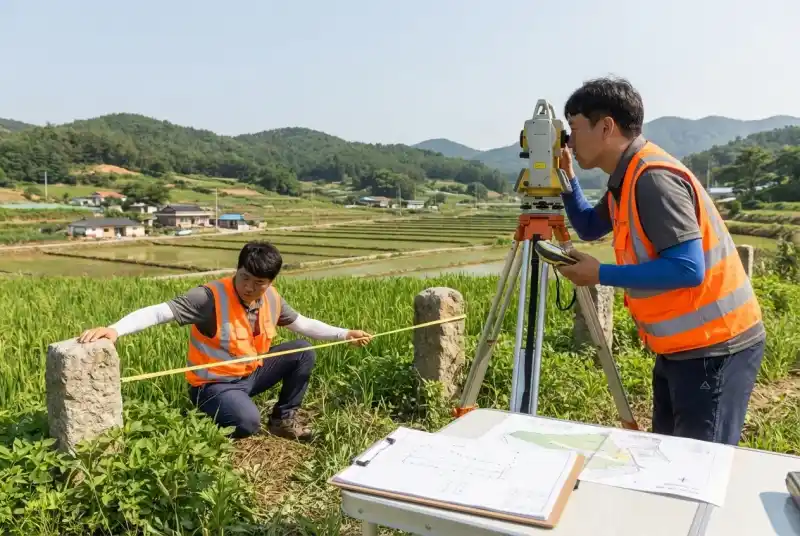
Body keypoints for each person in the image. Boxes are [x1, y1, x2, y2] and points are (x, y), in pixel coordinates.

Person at [555, 76, 765, 446]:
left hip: (716, 348)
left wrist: (600, 273)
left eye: (574, 128)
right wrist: (567, 177)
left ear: (606, 127)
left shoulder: (652, 178)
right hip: (681, 348)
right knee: (670, 458)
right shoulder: (626, 178)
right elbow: (589, 227)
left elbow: (688, 269)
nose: (569, 141)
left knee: (699, 466)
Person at [77, 241, 373, 442]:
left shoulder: (271, 298)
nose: (249, 287)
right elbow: (159, 312)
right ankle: (215, 420)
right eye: (245, 277)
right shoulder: (208, 297)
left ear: (271, 282)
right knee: (247, 424)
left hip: (251, 373)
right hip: (213, 385)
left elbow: (302, 324)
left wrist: (344, 333)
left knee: (303, 351)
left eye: (259, 283)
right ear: (237, 269)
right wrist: (115, 330)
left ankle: (282, 421)